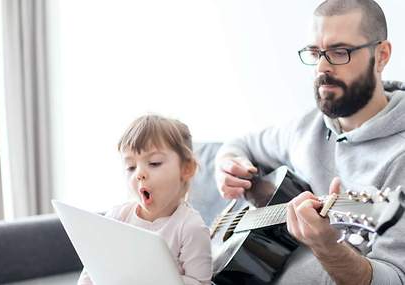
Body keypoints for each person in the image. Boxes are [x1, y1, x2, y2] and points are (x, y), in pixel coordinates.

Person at [215, 0, 405, 284]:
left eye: (340, 52)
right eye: (315, 53)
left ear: (381, 55)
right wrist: (226, 164)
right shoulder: (306, 126)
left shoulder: (398, 158)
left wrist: (329, 249)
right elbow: (241, 144)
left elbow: (394, 278)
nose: (322, 68)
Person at [78, 114, 213, 285]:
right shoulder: (117, 217)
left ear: (186, 169)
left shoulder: (191, 228)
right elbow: (92, 270)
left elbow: (199, 282)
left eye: (154, 163)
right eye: (130, 167)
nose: (139, 174)